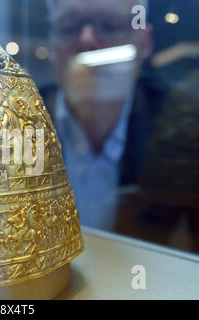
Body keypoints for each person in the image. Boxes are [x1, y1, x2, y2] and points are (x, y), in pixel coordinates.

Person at [41, 0, 161, 230]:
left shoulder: (183, 121)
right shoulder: (13, 117)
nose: (87, 40)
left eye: (112, 25)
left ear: (145, 42)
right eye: (68, 27)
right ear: (52, 41)